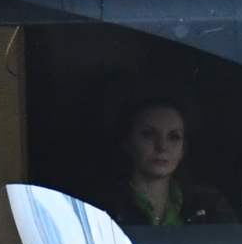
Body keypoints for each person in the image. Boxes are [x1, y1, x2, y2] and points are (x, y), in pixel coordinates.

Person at [97, 95, 233, 227]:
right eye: (148, 134)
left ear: (183, 149)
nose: (162, 147)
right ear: (127, 142)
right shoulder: (101, 208)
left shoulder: (209, 206)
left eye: (174, 137)